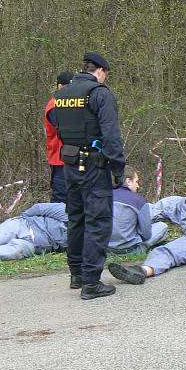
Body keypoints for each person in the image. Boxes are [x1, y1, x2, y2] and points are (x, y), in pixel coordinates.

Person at [53, 51, 125, 299]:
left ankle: (76, 274)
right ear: (101, 71)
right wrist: (118, 168)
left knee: (76, 218)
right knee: (98, 222)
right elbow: (111, 135)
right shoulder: (99, 94)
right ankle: (92, 283)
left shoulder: (61, 95)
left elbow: (55, 123)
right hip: (94, 165)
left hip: (70, 164)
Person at [108, 166, 169, 254]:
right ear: (128, 181)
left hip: (105, 248)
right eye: (136, 181)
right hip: (130, 249)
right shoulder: (139, 201)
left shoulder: (103, 197)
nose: (138, 186)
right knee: (162, 226)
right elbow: (146, 234)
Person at [44, 71, 74, 203]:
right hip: (59, 161)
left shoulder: (70, 104)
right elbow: (66, 127)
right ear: (60, 86)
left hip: (72, 159)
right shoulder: (54, 106)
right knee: (60, 202)